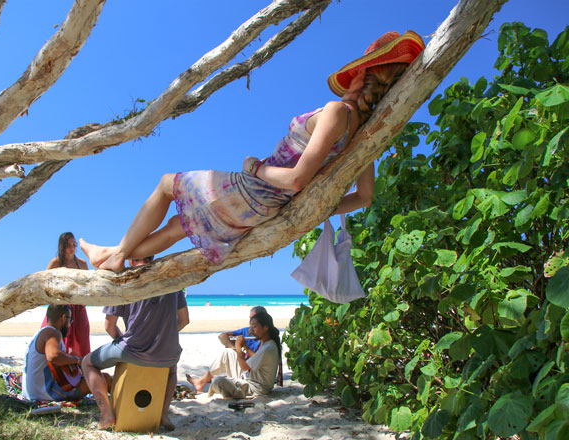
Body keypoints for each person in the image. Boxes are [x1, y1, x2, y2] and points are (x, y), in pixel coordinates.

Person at [80, 31, 425, 272]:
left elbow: (297, 178)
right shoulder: (364, 135)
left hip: (254, 189)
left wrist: (255, 167)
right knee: (177, 226)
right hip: (267, 207)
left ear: (363, 74)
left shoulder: (337, 112)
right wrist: (321, 206)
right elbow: (365, 197)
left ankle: (119, 251)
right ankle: (114, 255)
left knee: (168, 183)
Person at [80, 256, 190, 430]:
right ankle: (163, 413)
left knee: (87, 362)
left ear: (131, 261)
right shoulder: (171, 281)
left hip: (133, 350)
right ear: (152, 257)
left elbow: (110, 326)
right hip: (168, 354)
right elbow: (184, 320)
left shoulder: (124, 282)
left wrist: (122, 340)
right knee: (171, 370)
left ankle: (106, 414)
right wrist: (162, 336)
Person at [187, 310, 281, 399]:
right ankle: (201, 382)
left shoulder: (268, 347)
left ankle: (223, 388)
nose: (251, 331)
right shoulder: (268, 343)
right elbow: (255, 358)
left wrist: (238, 347)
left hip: (256, 389)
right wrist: (245, 347)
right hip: (252, 380)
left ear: (266, 328)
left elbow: (244, 367)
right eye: (251, 327)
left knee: (218, 381)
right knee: (228, 352)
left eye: (254, 327)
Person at [22, 304, 90, 402]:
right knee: (103, 379)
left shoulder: (41, 332)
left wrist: (68, 358)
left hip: (31, 392)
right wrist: (77, 360)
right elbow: (53, 356)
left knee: (93, 380)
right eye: (70, 320)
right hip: (44, 393)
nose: (70, 325)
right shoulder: (53, 333)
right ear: (63, 318)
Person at [41, 232, 91, 357]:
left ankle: (79, 370)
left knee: (81, 341)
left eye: (74, 244)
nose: (73, 247)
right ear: (62, 246)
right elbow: (43, 283)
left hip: (78, 307)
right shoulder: (56, 263)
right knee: (56, 338)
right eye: (69, 244)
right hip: (60, 308)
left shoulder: (82, 264)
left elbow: (89, 286)